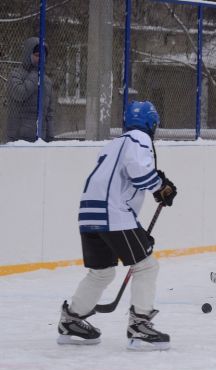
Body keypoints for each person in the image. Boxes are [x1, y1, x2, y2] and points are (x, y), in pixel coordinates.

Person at [57, 101, 177, 350]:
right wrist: (161, 187)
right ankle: (140, 326)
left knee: (102, 272)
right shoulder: (140, 138)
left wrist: (157, 183)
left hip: (90, 213)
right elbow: (139, 173)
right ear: (151, 123)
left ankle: (72, 319)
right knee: (146, 266)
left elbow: (119, 181)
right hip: (113, 214)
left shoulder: (113, 144)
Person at [6, 37, 54, 142]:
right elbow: (19, 94)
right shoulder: (15, 75)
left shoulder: (47, 81)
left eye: (43, 56)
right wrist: (35, 74)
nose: (41, 59)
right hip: (18, 139)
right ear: (28, 55)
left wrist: (50, 138)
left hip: (40, 140)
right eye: (37, 55)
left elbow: (49, 113)